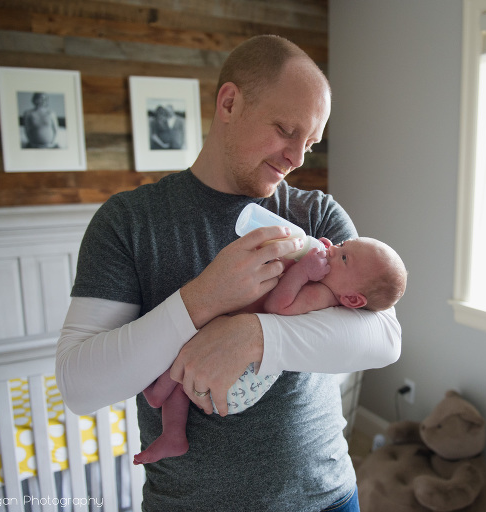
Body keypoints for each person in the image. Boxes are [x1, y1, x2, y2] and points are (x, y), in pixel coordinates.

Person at [56, 34, 402, 512]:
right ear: (229, 102)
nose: (297, 158)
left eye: (310, 142)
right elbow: (78, 387)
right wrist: (201, 299)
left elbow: (384, 338)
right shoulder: (129, 221)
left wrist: (254, 335)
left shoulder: (317, 217)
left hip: (326, 497)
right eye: (285, 130)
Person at [133, 236, 407, 464]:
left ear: (352, 299)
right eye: (341, 244)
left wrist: (303, 271)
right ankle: (173, 435)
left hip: (242, 380)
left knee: (190, 347)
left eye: (343, 257)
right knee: (189, 367)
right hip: (240, 373)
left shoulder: (322, 294)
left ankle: (158, 395)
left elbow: (278, 307)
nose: (332, 249)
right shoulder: (329, 285)